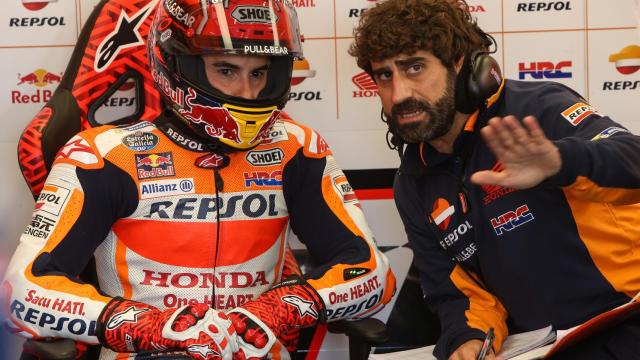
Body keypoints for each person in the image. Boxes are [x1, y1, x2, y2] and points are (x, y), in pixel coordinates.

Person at [1, 0, 396, 359]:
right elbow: (22, 291)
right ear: (177, 66)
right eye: (226, 70)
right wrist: (148, 326)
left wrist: (279, 309)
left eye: (259, 73)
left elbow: (373, 274)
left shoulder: (297, 149)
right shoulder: (102, 155)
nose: (247, 90)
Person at [349, 0, 640, 359]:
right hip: (546, 347)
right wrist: (468, 339)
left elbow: (633, 159)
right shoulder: (413, 182)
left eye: (415, 67)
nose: (399, 94)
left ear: (461, 64)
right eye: (384, 75)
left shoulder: (536, 108)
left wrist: (561, 161)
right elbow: (456, 292)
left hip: (625, 316)